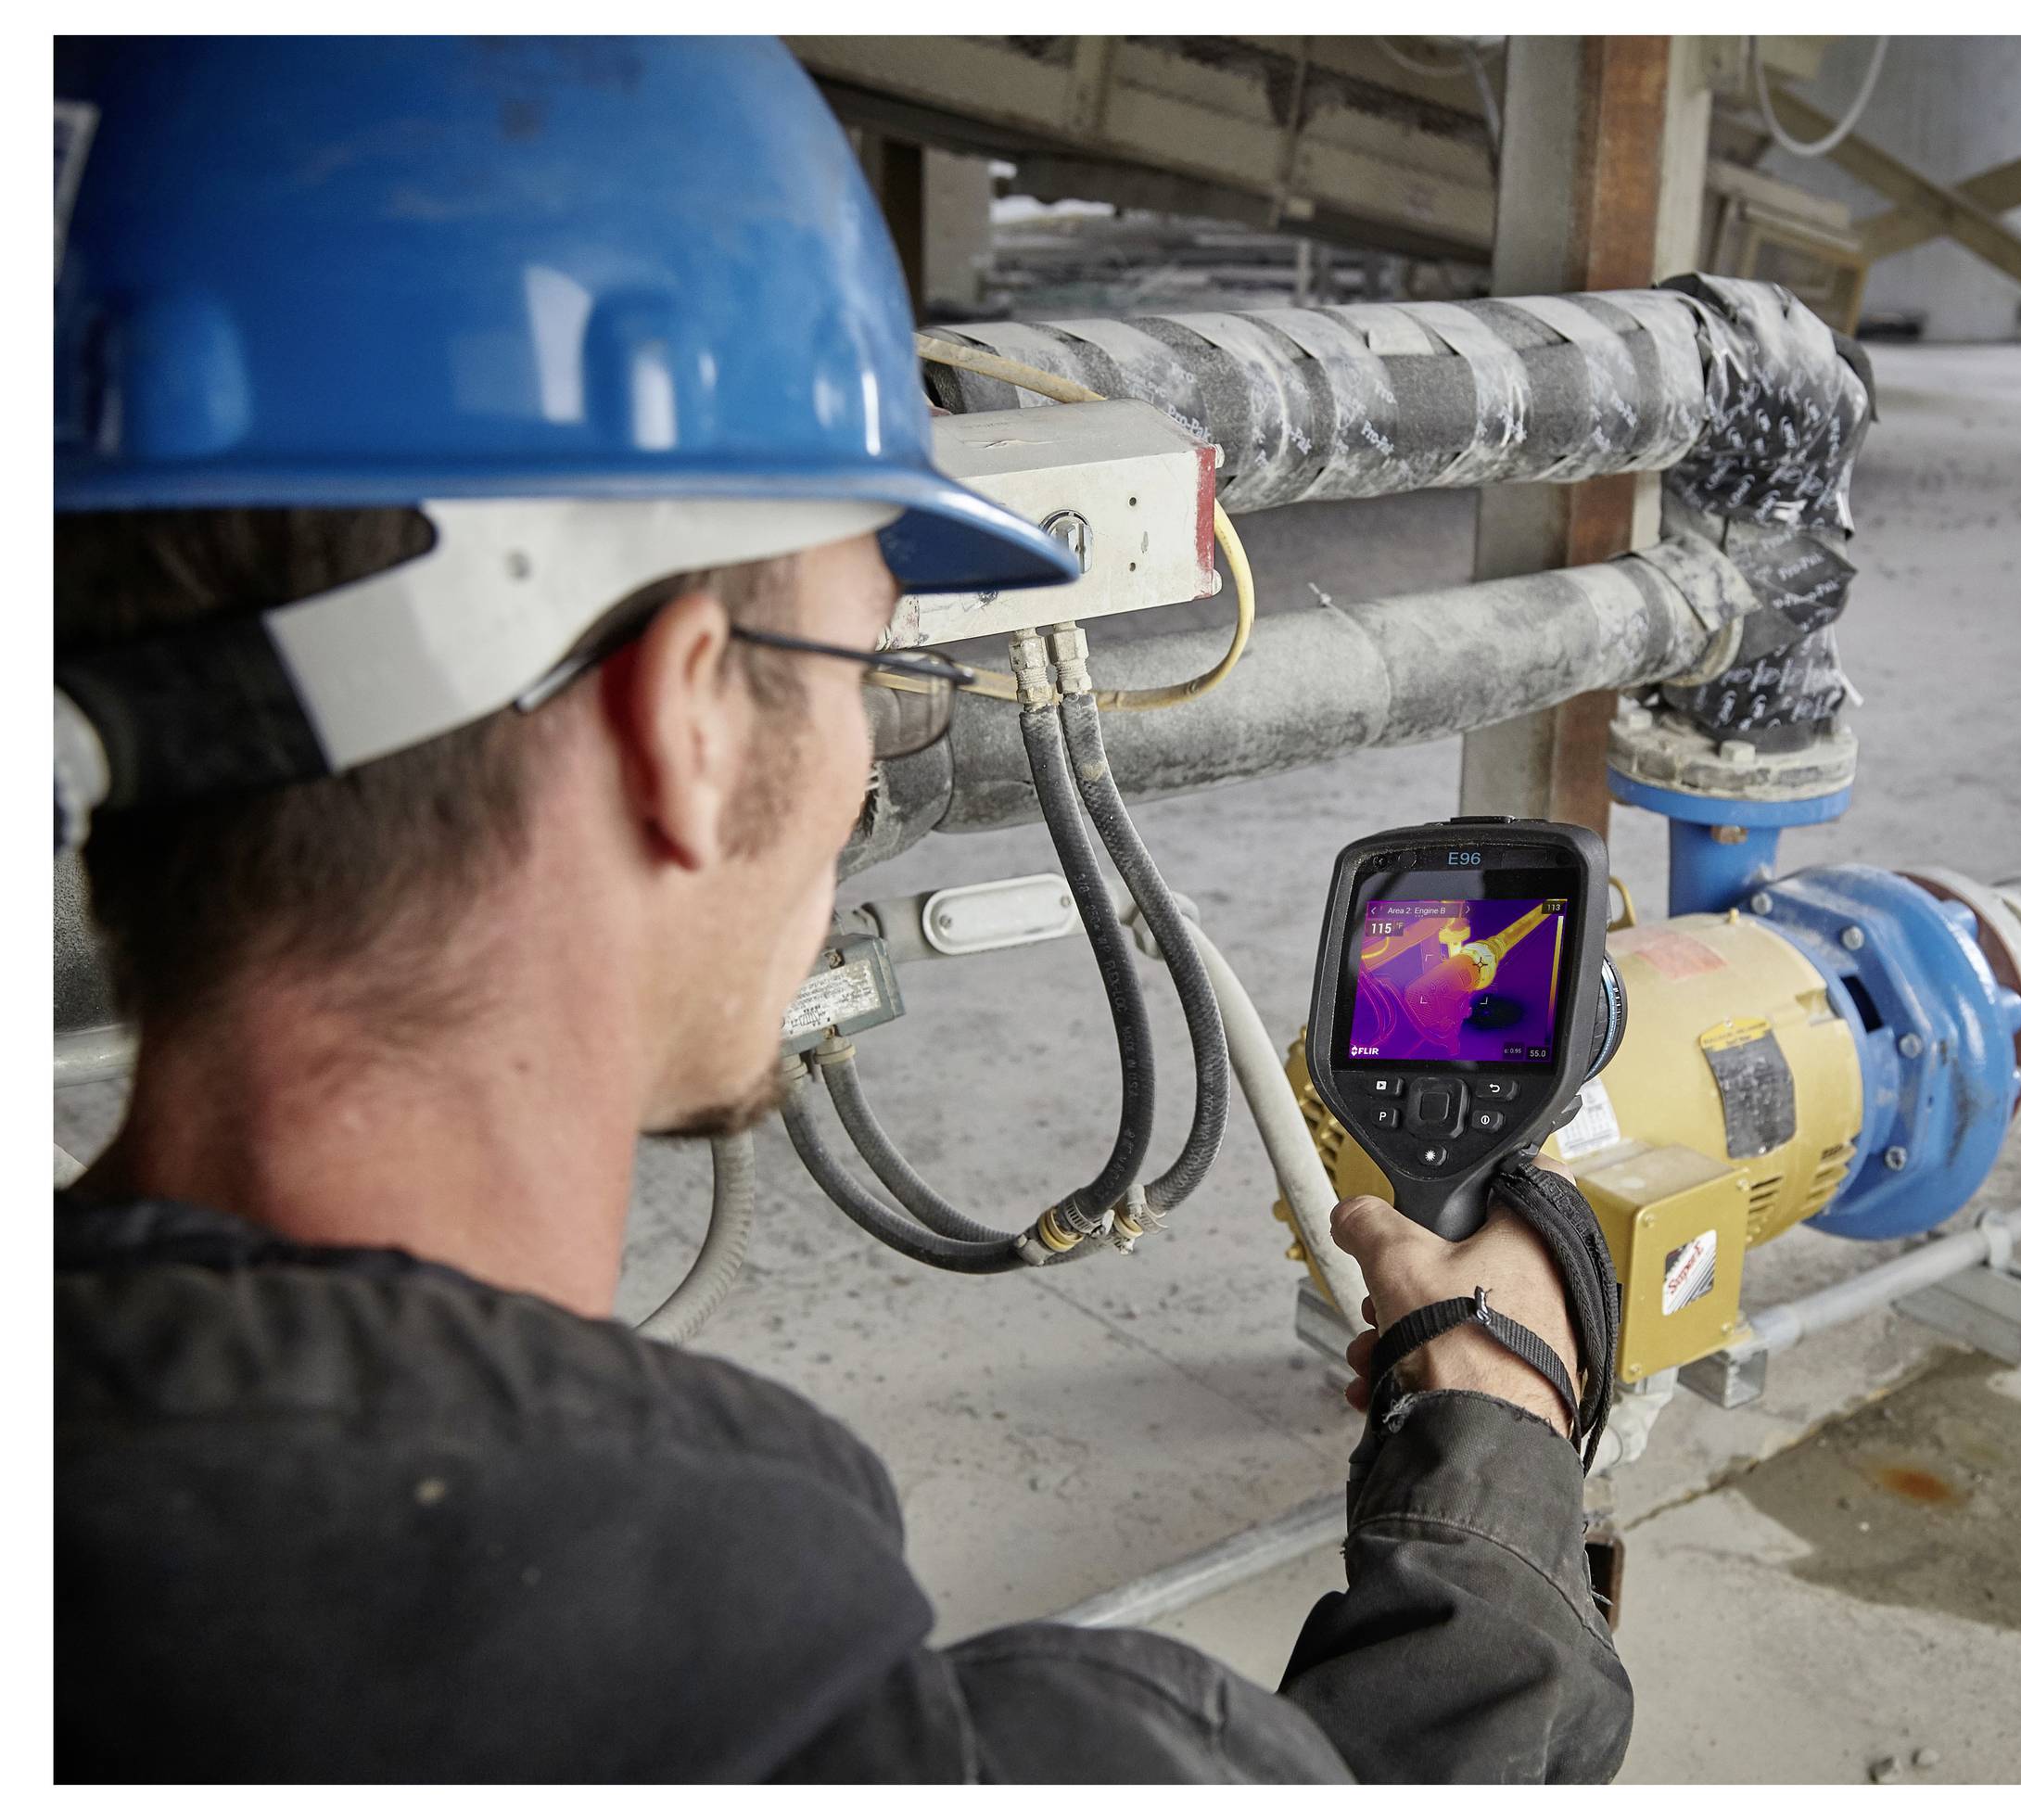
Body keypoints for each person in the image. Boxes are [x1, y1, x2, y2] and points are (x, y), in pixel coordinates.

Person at [53, 38, 1630, 1783]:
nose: (859, 780)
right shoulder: (743, 1696)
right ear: (693, 719)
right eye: (866, 664)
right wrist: (1495, 1448)